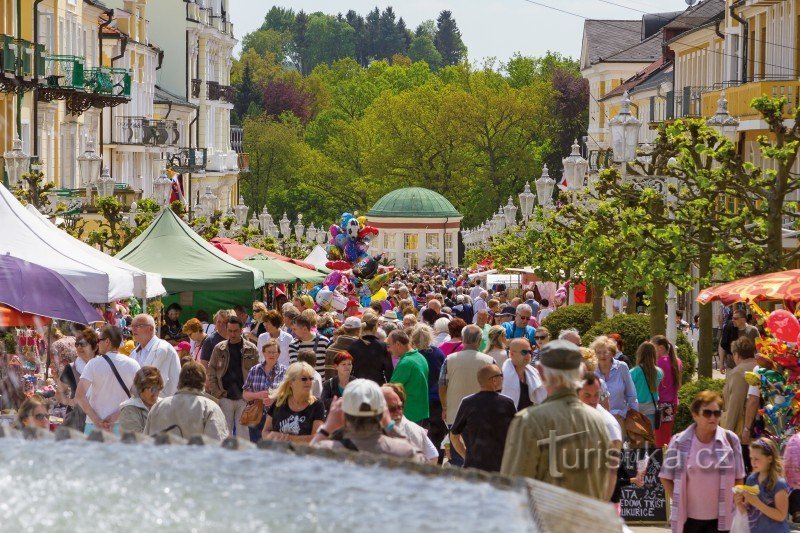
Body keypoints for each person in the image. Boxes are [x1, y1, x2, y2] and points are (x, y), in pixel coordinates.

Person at [501, 340, 613, 500]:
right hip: (586, 519)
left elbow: (514, 486)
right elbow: (604, 479)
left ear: (540, 371)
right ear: (580, 373)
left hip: (545, 521)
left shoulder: (529, 420)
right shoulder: (597, 420)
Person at [661, 390, 746, 531]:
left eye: (717, 413)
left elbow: (739, 478)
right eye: (707, 413)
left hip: (722, 520)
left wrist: (734, 503)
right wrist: (679, 499)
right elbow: (665, 477)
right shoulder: (678, 441)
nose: (713, 418)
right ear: (695, 415)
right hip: (689, 520)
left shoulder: (731, 440)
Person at [311, 379, 426, 462]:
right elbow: (422, 460)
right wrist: (390, 425)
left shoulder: (326, 451)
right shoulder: (402, 451)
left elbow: (304, 462)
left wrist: (327, 428)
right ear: (383, 414)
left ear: (343, 414)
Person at [439, 324, 495, 466]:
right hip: (482, 415)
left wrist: (445, 407)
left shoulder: (450, 359)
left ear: (463, 339)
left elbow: (442, 386)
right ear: (479, 340)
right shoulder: (489, 361)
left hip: (455, 415)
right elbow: (497, 387)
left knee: (457, 456)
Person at [450, 364, 517, 472]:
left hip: (474, 467)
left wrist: (467, 456)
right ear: (494, 380)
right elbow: (517, 435)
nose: (503, 378)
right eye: (501, 375)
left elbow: (454, 436)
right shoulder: (507, 403)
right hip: (501, 467)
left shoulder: (467, 402)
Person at [75, 325, 140, 435]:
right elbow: (138, 397)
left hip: (94, 426)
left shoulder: (93, 364)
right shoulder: (133, 365)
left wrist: (97, 421)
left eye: (99, 340)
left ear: (107, 341)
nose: (97, 343)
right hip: (123, 424)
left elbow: (80, 396)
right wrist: (115, 417)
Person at [144, 361, 228, 441]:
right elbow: (218, 445)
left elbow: (146, 443)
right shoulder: (210, 408)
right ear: (203, 383)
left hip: (161, 455)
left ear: (180, 381)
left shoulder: (158, 407)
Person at [206, 316, 260, 435]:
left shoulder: (251, 349)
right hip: (225, 396)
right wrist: (216, 392)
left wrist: (253, 395)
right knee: (224, 434)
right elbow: (211, 371)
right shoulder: (219, 348)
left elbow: (257, 372)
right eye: (230, 331)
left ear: (241, 330)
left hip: (244, 398)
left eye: (235, 331)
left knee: (243, 435)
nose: (232, 334)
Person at [262, 362, 325, 443]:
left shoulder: (317, 405)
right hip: (279, 453)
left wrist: (286, 438)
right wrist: (270, 437)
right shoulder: (280, 401)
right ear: (291, 382)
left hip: (303, 455)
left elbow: (316, 439)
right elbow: (265, 432)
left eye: (311, 378)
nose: (309, 382)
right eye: (304, 379)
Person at [736, 438, 790, 532]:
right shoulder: (751, 480)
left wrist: (757, 503)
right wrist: (739, 504)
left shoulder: (779, 483)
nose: (753, 462)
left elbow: (781, 516)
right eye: (751, 458)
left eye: (757, 459)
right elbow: (747, 510)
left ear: (769, 459)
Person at [722, 337, 759, 471]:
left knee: (742, 471)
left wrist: (727, 433)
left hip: (742, 429)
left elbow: (735, 404)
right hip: (758, 426)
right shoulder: (758, 367)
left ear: (737, 354)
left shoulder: (738, 372)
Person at [242, 339, 287, 443]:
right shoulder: (254, 370)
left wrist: (274, 399)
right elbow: (245, 394)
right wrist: (258, 395)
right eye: (269, 352)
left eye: (274, 352)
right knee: (256, 447)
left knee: (275, 448)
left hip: (277, 416)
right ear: (263, 353)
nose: (271, 355)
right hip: (256, 415)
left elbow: (289, 395)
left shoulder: (285, 372)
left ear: (279, 354)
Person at [382, 383, 439, 463]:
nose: (398, 411)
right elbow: (433, 456)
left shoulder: (383, 431)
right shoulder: (418, 428)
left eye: (399, 407)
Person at [56, 328, 99, 430]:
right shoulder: (71, 368)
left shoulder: (103, 366)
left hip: (99, 418)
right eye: (77, 344)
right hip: (77, 420)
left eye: (83, 344)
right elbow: (58, 394)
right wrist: (71, 402)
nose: (79, 347)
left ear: (95, 347)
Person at [593, 335, 638, 430]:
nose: (602, 356)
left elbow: (631, 393)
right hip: (597, 421)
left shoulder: (622, 367)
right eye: (598, 352)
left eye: (605, 352)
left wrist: (634, 415)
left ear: (612, 353)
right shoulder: (591, 370)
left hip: (619, 418)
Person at [130, 314, 181, 397]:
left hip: (161, 404)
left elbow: (158, 383)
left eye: (138, 325)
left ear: (151, 328)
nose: (133, 329)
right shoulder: (134, 352)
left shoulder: (163, 349)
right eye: (132, 326)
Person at [388, 329, 429, 424]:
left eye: (389, 345)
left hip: (407, 416)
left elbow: (390, 390)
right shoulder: (420, 357)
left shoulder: (406, 363)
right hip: (418, 413)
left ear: (398, 344)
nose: (388, 349)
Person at [653, 335, 683, 448]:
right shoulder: (677, 361)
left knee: (660, 437)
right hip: (672, 403)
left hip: (661, 404)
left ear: (660, 348)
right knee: (666, 434)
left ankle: (662, 462)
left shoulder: (659, 362)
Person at [348, 310, 394, 385]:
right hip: (377, 387)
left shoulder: (353, 345)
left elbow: (348, 370)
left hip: (357, 386)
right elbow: (389, 371)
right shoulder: (383, 346)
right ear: (376, 326)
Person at [500, 338, 546, 411]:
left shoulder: (535, 373)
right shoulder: (501, 377)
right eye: (524, 352)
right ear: (511, 354)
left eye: (530, 352)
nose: (528, 355)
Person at [119, 366, 163, 434]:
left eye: (159, 388)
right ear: (141, 388)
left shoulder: (163, 405)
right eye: (153, 389)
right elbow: (135, 438)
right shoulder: (129, 408)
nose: (156, 393)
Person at [630, 341, 664, 429]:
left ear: (640, 354)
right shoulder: (659, 372)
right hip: (652, 408)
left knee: (637, 439)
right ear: (654, 354)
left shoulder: (634, 372)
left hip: (636, 409)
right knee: (649, 439)